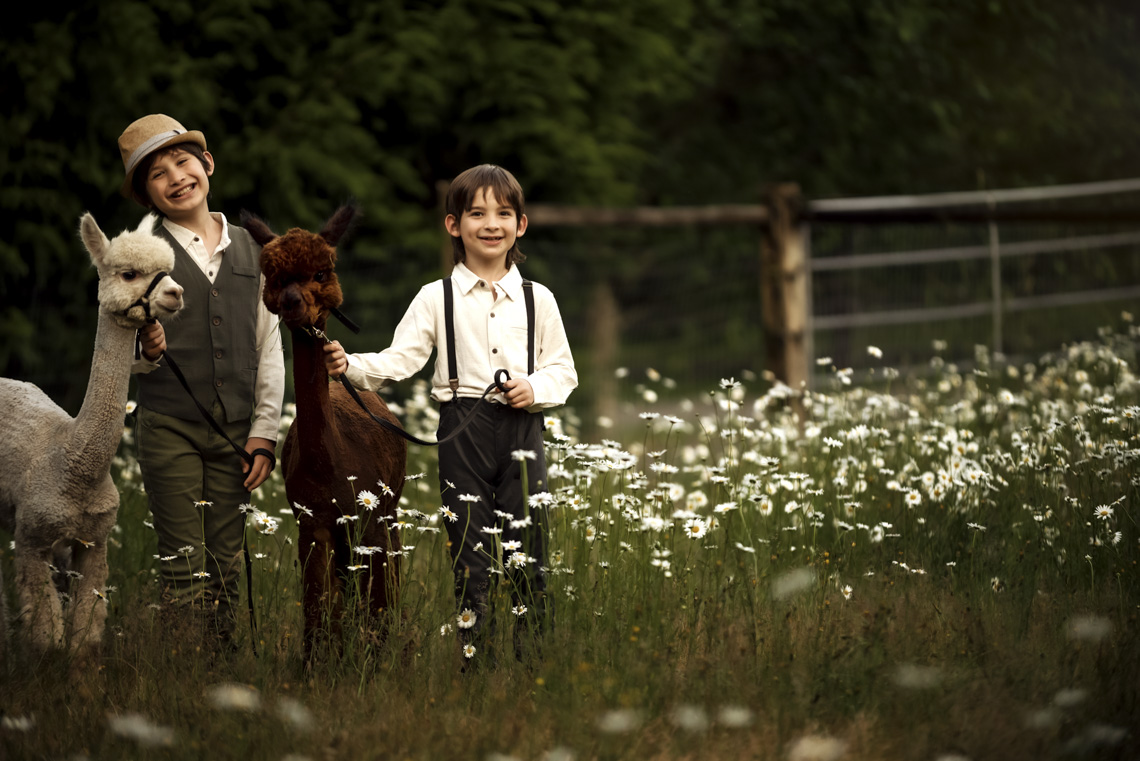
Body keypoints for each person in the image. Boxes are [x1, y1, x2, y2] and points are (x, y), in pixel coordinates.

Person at [323, 164, 577, 662]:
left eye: (503, 213)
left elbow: (563, 370)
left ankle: (532, 660)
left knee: (529, 546)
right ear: (453, 225)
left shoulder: (538, 298)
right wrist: (348, 364)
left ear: (520, 225)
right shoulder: (434, 297)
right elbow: (400, 360)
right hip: (461, 431)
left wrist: (535, 386)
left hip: (523, 430)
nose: (491, 224)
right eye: (477, 213)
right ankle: (473, 657)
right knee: (469, 549)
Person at [118, 114, 285, 644]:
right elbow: (119, 357)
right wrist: (145, 351)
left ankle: (222, 664)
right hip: (170, 426)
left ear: (207, 164)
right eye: (157, 174)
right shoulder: (138, 260)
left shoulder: (256, 250)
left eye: (183, 161)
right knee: (183, 564)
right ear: (147, 195)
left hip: (237, 431)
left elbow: (269, 346)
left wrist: (264, 431)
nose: (175, 177)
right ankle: (183, 669)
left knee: (226, 561)